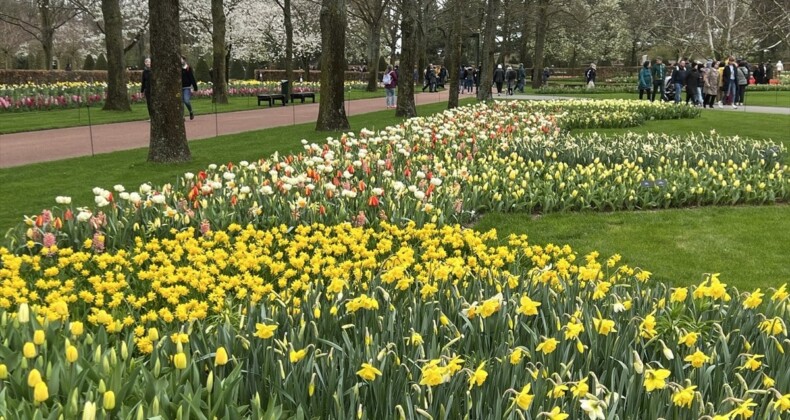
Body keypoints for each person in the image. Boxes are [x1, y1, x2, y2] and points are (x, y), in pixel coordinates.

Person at [181, 56, 198, 120]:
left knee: (186, 100)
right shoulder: (177, 68)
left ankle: (191, 111)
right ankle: (182, 116)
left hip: (186, 87)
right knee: (180, 102)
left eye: (181, 59)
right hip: (179, 88)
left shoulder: (188, 68)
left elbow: (191, 77)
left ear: (184, 60)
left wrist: (195, 87)